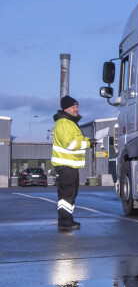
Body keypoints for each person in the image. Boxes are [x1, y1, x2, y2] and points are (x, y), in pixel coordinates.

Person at [51, 96, 91, 232]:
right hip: (65, 166)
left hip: (70, 166)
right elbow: (69, 144)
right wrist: (88, 143)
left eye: (77, 106)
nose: (76, 109)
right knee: (66, 195)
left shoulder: (70, 123)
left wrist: (89, 141)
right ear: (65, 108)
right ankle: (64, 221)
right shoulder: (63, 123)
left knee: (70, 194)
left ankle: (67, 219)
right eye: (73, 107)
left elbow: (76, 140)